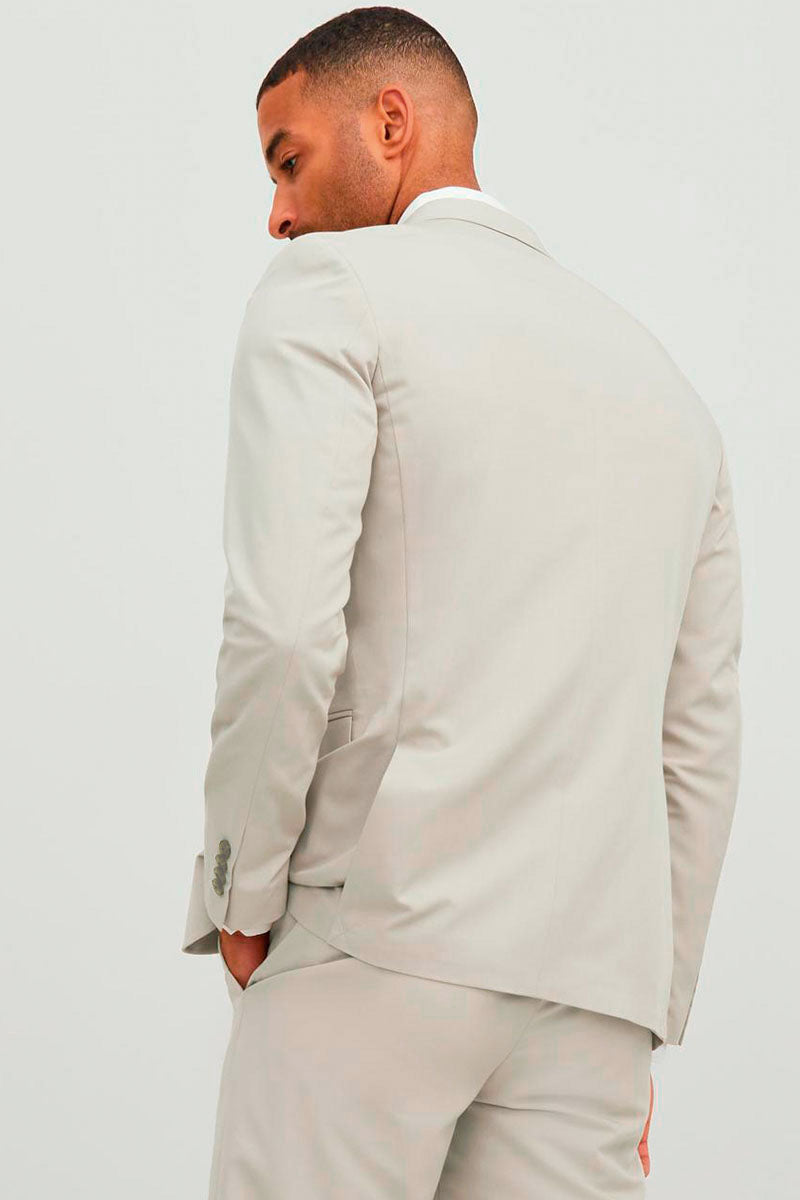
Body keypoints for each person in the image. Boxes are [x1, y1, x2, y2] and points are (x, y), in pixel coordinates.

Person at [180, 7, 743, 1197]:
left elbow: (283, 629)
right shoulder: (666, 393)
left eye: (287, 160)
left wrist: (242, 890)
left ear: (390, 123)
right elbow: (694, 744)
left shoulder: (330, 289)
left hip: (373, 935)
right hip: (588, 994)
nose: (276, 212)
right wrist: (639, 1011)